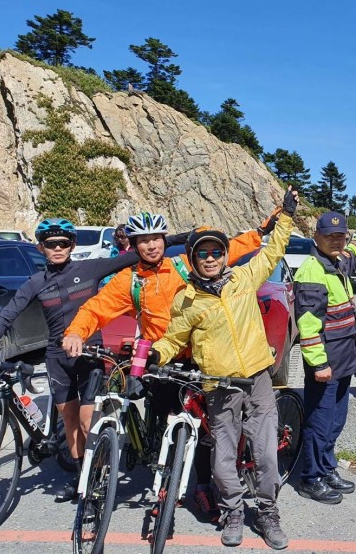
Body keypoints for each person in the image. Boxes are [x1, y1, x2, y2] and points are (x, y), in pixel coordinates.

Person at [63, 205, 281, 513]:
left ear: (165, 240)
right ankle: (164, 480)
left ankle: (203, 486)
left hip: (202, 359)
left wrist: (259, 234)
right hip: (160, 359)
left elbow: (227, 251)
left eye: (156, 239)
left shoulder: (183, 265)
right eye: (143, 240)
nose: (151, 245)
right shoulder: (129, 281)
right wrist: (76, 333)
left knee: (209, 431)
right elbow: (95, 308)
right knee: (162, 421)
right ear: (134, 245)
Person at [149, 188, 297, 549]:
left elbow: (273, 250)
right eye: (204, 253)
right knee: (223, 459)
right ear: (193, 259)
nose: (211, 258)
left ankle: (266, 512)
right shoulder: (187, 299)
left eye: (217, 251)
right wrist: (155, 355)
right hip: (218, 385)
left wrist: (287, 216)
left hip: (257, 378)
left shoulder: (243, 279)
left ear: (225, 255)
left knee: (264, 454)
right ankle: (232, 512)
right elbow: (172, 338)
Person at [0, 218, 150, 501]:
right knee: (70, 423)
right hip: (57, 358)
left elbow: (139, 253)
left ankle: (98, 475)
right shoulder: (35, 282)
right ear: (41, 247)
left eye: (63, 243)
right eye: (50, 244)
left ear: (72, 245)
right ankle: (83, 479)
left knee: (86, 423)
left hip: (88, 354)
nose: (57, 248)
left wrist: (178, 238)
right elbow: (6, 316)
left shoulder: (89, 269)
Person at [294, 207, 356, 504]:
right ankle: (311, 477)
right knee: (319, 422)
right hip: (326, 363)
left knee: (335, 421)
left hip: (343, 359)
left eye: (340, 236)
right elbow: (307, 324)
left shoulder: (336, 262)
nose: (336, 240)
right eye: (329, 235)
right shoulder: (312, 270)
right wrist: (318, 363)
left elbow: (355, 251)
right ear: (315, 236)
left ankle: (327, 468)